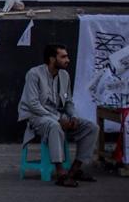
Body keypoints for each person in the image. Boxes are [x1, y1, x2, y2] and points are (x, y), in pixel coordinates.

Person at [18, 43, 99, 187]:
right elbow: (33, 104)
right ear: (52, 59)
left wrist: (73, 117)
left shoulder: (64, 75)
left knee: (92, 127)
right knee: (54, 126)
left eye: (67, 56)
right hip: (37, 117)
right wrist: (58, 119)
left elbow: (68, 102)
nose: (67, 60)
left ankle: (74, 170)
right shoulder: (34, 74)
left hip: (59, 116)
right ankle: (61, 173)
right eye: (63, 57)